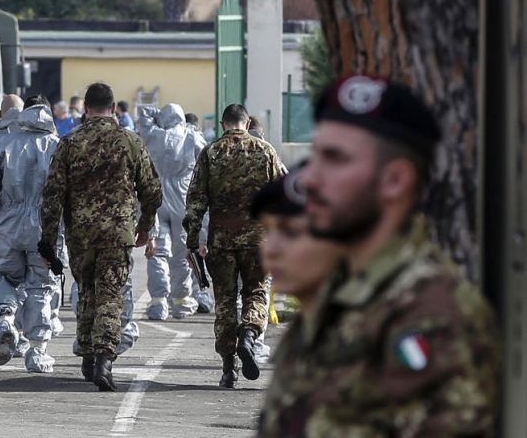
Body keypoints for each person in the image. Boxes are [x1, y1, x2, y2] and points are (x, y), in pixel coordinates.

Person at [262, 74, 499, 435]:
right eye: (316, 155)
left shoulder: (431, 314)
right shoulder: (339, 296)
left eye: (335, 159)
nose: (309, 180)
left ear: (395, 181)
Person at [40, 81, 162, 391]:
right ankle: (104, 359)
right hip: (118, 233)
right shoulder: (130, 141)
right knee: (110, 295)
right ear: (111, 109)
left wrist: (48, 238)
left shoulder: (68, 143)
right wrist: (146, 225)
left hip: (80, 234)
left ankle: (87, 354)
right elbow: (151, 190)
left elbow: (53, 195)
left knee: (87, 293)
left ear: (86, 108)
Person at [183, 103, 284, 388]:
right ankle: (249, 336)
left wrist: (192, 242)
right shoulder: (265, 151)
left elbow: (196, 203)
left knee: (225, 301)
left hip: (222, 240)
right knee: (256, 292)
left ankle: (228, 368)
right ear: (247, 121)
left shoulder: (210, 152)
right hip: (257, 240)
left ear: (224, 124)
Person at [250, 166, 346, 434]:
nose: (270, 249)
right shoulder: (310, 327)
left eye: (291, 232)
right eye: (268, 232)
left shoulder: (375, 330)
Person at [0, 97, 60, 372]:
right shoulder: (57, 146)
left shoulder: (5, 144)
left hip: (6, 225)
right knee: (40, 286)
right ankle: (37, 351)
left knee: (4, 277)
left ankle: (5, 319)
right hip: (43, 229)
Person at [138, 103, 211, 319]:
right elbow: (206, 161)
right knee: (182, 253)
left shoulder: (152, 134)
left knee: (157, 252)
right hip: (183, 198)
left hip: (157, 199)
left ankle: (158, 303)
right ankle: (181, 302)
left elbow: (143, 112)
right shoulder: (191, 135)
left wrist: (155, 115)